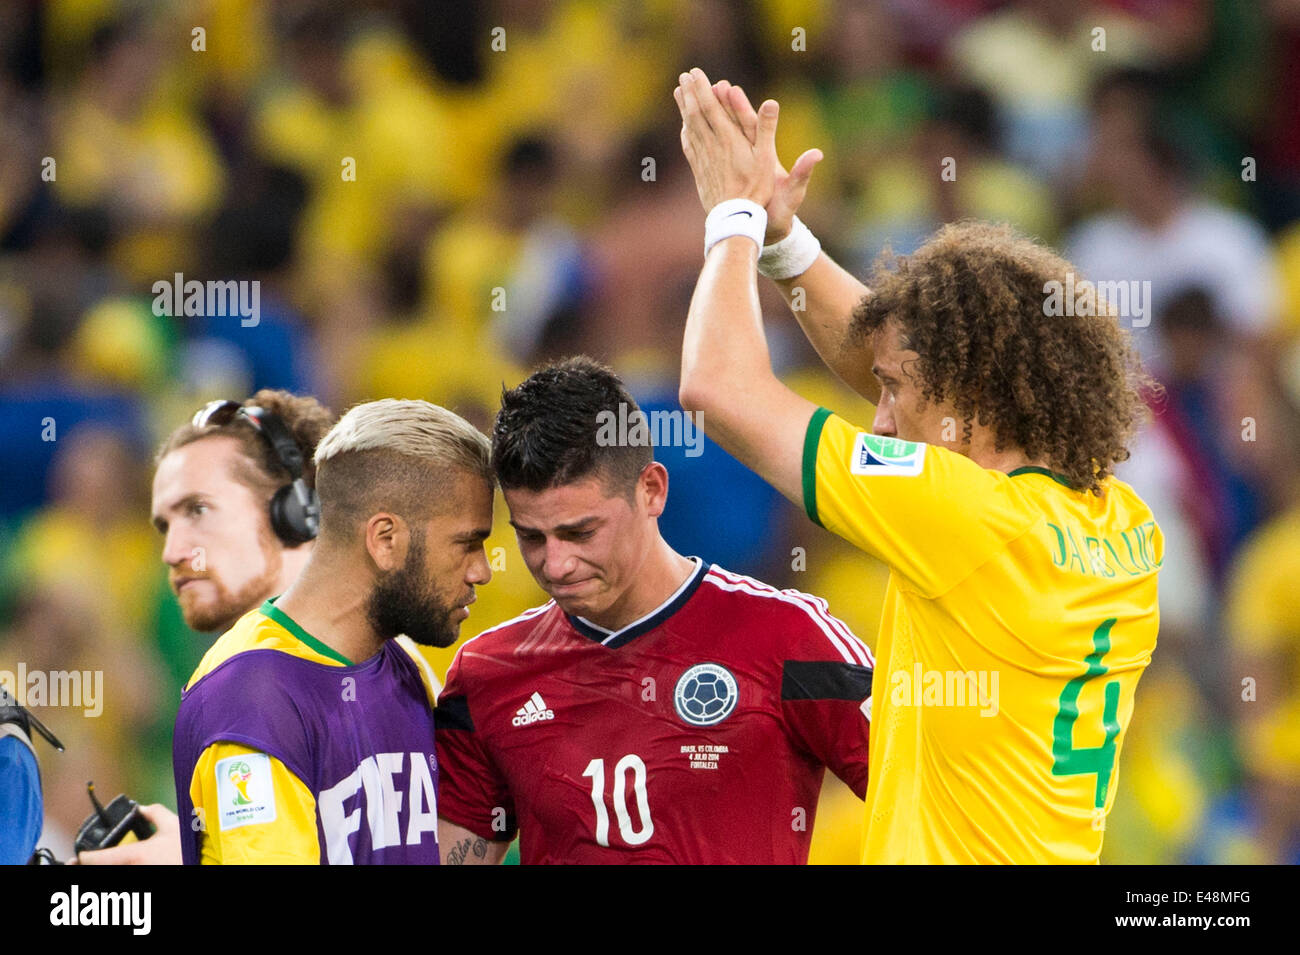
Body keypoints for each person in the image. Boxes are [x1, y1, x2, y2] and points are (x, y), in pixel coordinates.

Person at [672, 67, 1161, 863]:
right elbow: (898, 371)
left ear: (970, 397)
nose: (882, 414)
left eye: (896, 391)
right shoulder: (1121, 520)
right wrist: (785, 241)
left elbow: (716, 387)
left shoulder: (967, 517)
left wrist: (728, 218)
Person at [435, 357, 872, 864]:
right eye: (532, 537)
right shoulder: (488, 675)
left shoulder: (791, 638)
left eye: (580, 532)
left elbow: (928, 795)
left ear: (652, 490)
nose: (556, 565)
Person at [172, 399, 493, 864]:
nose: (482, 571)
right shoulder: (252, 702)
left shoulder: (406, 669)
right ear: (385, 540)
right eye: (467, 543)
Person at [79, 389, 336, 864]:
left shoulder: (251, 688)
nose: (173, 551)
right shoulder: (398, 661)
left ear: (294, 513)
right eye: (165, 525)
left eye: (197, 510)